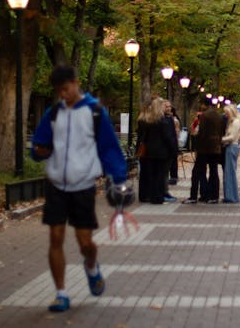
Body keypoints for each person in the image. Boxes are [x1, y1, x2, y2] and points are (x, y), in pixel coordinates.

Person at [30, 65, 128, 313]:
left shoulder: (95, 112)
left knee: (85, 243)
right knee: (55, 237)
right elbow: (39, 144)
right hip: (56, 185)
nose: (62, 94)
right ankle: (61, 293)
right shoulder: (53, 113)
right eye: (58, 91)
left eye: (65, 89)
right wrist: (39, 151)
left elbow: (109, 148)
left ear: (75, 83)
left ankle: (91, 266)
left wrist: (118, 178)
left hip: (83, 185)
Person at [136, 97, 178, 204]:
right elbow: (168, 137)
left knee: (151, 175)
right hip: (161, 151)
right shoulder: (163, 120)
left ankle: (149, 196)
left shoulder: (147, 120)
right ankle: (158, 197)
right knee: (159, 175)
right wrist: (174, 149)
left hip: (149, 151)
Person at [184, 102, 224, 203]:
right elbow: (221, 132)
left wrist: (196, 141)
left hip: (204, 148)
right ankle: (214, 196)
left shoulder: (204, 116)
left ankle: (193, 196)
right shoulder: (219, 116)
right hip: (216, 147)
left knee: (196, 172)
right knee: (213, 172)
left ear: (204, 105)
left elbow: (202, 133)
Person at [221, 103, 240, 203]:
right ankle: (230, 195)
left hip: (231, 146)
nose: (225, 115)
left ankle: (231, 196)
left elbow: (232, 137)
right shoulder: (234, 121)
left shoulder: (235, 122)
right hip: (232, 146)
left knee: (230, 172)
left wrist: (221, 139)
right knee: (230, 172)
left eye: (227, 113)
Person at [165, 102, 181, 187]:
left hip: (173, 142)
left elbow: (177, 132)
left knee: (173, 161)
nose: (168, 109)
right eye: (166, 107)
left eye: (169, 107)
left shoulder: (174, 120)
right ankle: (173, 177)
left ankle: (173, 177)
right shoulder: (168, 119)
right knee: (172, 161)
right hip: (172, 142)